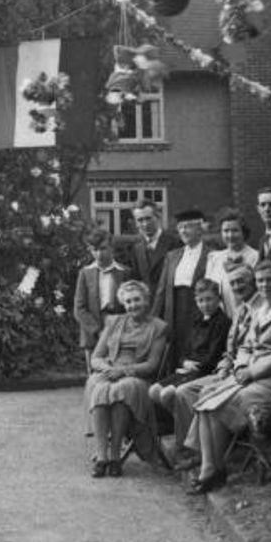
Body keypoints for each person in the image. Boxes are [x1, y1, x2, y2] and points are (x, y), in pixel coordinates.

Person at [187, 260, 271, 494]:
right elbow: (246, 346)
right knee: (206, 395)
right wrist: (241, 367)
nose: (264, 285)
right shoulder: (259, 310)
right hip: (247, 374)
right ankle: (211, 468)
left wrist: (252, 372)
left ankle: (212, 472)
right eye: (260, 280)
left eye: (269, 279)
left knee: (219, 403)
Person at [170, 265, 258, 469]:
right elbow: (232, 348)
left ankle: (201, 455)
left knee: (191, 392)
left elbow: (252, 348)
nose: (237, 286)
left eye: (241, 281)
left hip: (244, 373)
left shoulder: (258, 310)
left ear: (253, 283)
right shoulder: (240, 310)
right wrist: (225, 363)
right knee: (182, 392)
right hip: (226, 370)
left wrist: (230, 366)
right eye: (233, 283)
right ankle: (194, 449)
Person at [83, 280, 168, 479]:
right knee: (99, 388)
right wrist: (109, 368)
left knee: (122, 389)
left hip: (137, 375)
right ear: (123, 304)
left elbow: (152, 365)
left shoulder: (158, 327)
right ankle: (102, 456)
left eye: (137, 299)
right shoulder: (113, 323)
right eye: (128, 301)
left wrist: (123, 371)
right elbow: (96, 357)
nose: (133, 305)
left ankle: (115, 457)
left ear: (146, 300)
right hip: (110, 370)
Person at [148, 278, 230, 422]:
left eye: (209, 299)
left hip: (205, 370)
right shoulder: (196, 321)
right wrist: (185, 362)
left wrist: (195, 364)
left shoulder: (223, 322)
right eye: (201, 301)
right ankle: (185, 420)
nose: (205, 304)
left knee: (166, 394)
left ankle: (187, 424)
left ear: (218, 299)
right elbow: (185, 350)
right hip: (188, 368)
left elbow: (214, 355)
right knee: (154, 391)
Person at [151, 208, 209, 369]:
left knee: (195, 351)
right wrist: (153, 319)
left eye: (188, 226)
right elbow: (161, 291)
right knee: (174, 353)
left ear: (200, 229)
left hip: (198, 310)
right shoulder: (172, 256)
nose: (183, 231)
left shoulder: (211, 255)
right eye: (180, 227)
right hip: (174, 311)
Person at [73, 229, 127, 362]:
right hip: (92, 327)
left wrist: (118, 327)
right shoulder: (85, 273)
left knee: (115, 369)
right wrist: (97, 330)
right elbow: (79, 308)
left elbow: (128, 306)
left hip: (117, 326)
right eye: (94, 250)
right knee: (93, 372)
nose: (99, 254)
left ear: (112, 248)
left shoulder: (124, 272)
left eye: (103, 249)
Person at [205, 209, 259, 315]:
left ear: (243, 232)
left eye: (235, 230)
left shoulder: (255, 256)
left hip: (247, 316)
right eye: (226, 231)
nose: (230, 235)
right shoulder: (214, 258)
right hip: (220, 319)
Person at [127, 199, 182, 295]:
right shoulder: (136, 249)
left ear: (158, 217)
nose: (145, 224)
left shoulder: (176, 243)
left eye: (148, 218)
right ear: (136, 223)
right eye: (140, 220)